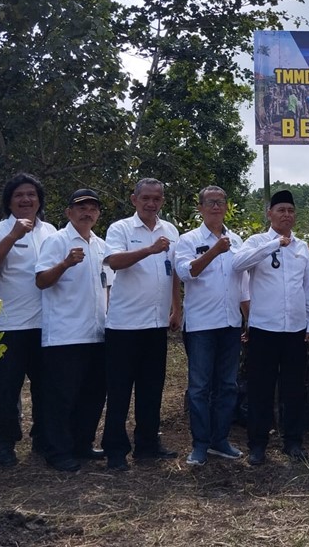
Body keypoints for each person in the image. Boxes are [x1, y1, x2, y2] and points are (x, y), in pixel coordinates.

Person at [0, 173, 57, 467]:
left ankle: (43, 439)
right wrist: (12, 236)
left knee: (46, 387)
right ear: (9, 202)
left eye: (31, 194)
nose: (26, 199)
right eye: (19, 195)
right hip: (7, 326)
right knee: (7, 389)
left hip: (46, 325)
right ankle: (3, 444)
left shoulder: (51, 231)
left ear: (39, 201)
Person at [232, 190, 309, 466]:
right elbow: (238, 264)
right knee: (260, 388)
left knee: (294, 389)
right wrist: (273, 245)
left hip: (295, 329)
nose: (286, 215)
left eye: (290, 211)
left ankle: (293, 442)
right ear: (269, 213)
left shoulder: (301, 247)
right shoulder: (257, 242)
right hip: (264, 328)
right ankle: (258, 444)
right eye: (281, 210)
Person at [101, 178, 180, 471]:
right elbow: (113, 262)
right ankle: (115, 449)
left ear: (162, 201)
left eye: (157, 198)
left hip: (156, 323)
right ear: (134, 199)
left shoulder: (170, 230)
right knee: (119, 390)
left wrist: (177, 308)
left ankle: (147, 445)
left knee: (151, 388)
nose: (151, 203)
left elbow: (173, 272)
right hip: (124, 325)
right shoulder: (121, 228)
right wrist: (149, 250)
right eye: (145, 198)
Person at [174, 186, 249, 465]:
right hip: (201, 325)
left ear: (226, 206)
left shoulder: (237, 240)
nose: (216, 206)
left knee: (227, 385)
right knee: (199, 387)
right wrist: (215, 251)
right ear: (200, 207)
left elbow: (243, 283)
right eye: (210, 202)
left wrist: (248, 318)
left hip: (230, 323)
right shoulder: (188, 239)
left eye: (221, 202)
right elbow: (187, 272)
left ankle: (220, 440)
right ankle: (200, 444)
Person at [35, 188, 108, 471]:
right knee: (62, 397)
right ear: (68, 212)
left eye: (93, 208)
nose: (87, 213)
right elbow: (41, 281)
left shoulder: (100, 245)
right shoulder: (57, 241)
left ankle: (82, 444)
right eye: (81, 207)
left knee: (92, 393)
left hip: (97, 331)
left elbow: (107, 286)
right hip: (65, 334)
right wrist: (65, 263)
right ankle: (57, 451)